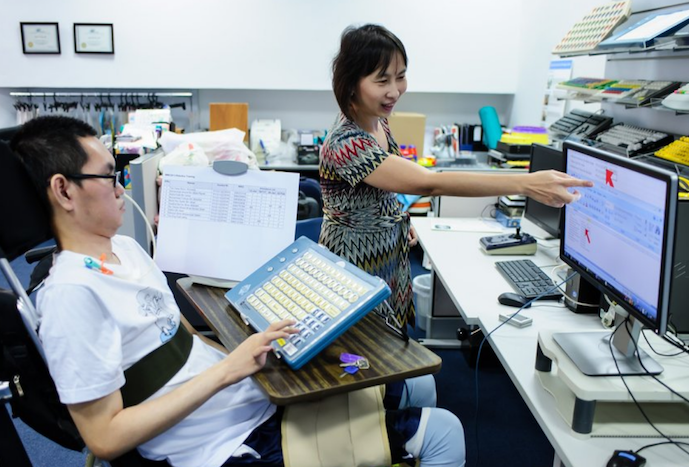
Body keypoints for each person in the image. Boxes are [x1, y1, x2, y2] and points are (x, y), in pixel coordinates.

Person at [11, 115, 466, 467]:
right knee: (444, 430)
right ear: (64, 191)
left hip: (248, 397)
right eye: (109, 176)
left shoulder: (126, 250)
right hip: (225, 442)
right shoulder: (71, 294)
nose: (119, 187)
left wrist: (258, 345)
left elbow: (182, 338)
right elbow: (104, 438)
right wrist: (230, 368)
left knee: (419, 384)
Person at [319, 24, 593, 328]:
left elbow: (381, 187)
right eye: (382, 80)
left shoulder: (376, 121)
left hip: (386, 249)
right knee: (363, 350)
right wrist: (525, 183)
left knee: (389, 342)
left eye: (401, 76)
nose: (395, 91)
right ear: (352, 84)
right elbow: (428, 182)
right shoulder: (346, 143)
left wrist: (395, 217)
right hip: (356, 261)